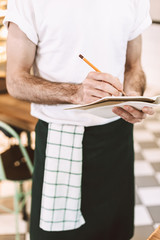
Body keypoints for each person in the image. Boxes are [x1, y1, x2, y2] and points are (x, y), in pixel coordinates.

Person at [4, 0, 154, 239]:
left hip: (117, 138)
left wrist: (132, 97)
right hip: (60, 139)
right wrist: (75, 93)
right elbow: (15, 81)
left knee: (116, 232)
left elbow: (133, 66)